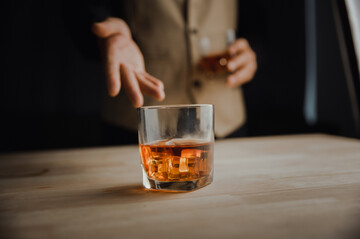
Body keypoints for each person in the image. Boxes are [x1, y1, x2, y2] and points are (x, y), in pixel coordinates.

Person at [87, 0, 257, 144]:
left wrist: (255, 51)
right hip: (137, 127)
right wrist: (106, 33)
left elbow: (259, 17)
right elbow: (87, 8)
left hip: (227, 123)